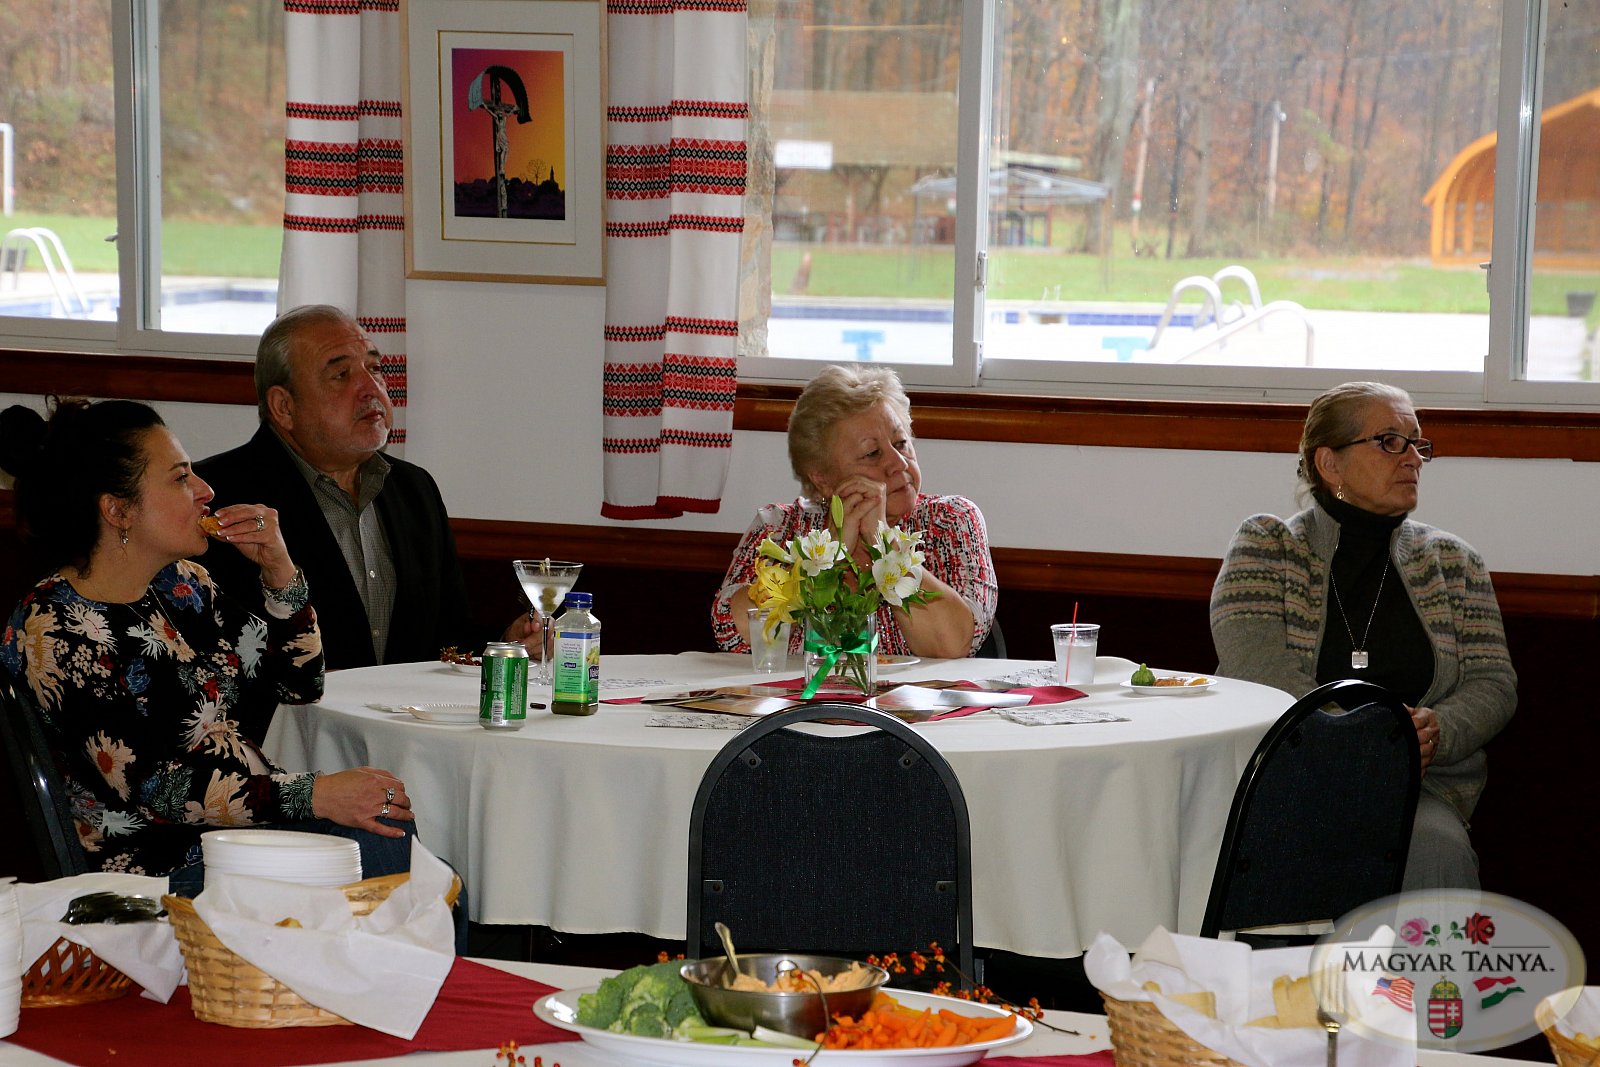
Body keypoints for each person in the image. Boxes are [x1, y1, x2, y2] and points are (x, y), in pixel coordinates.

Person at [0, 398, 414, 881]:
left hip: (238, 834)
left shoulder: (181, 584)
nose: (205, 490)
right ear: (118, 510)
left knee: (388, 826)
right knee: (384, 849)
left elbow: (299, 682)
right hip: (159, 866)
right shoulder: (54, 628)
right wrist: (317, 794)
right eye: (181, 478)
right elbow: (161, 790)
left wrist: (279, 571)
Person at [1209, 381, 1516, 890]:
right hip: (1289, 776)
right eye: (1390, 441)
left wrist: (1435, 730)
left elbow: (1494, 683)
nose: (1413, 458)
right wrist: (1367, 738)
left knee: (1436, 851)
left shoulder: (1454, 561)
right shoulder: (1267, 547)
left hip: (1415, 788)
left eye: (1417, 443)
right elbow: (1256, 669)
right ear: (1330, 463)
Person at [196, 304, 534, 669]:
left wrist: (505, 644)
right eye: (341, 375)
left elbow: (448, 640)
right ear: (284, 407)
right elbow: (218, 654)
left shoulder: (414, 490)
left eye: (374, 368)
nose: (371, 388)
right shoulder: (215, 496)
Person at [713, 365, 997, 659]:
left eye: (901, 443)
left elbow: (952, 646)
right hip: (806, 690)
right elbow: (732, 634)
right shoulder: (778, 528)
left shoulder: (949, 521)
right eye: (872, 453)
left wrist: (885, 545)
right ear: (822, 478)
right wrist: (824, 560)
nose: (899, 462)